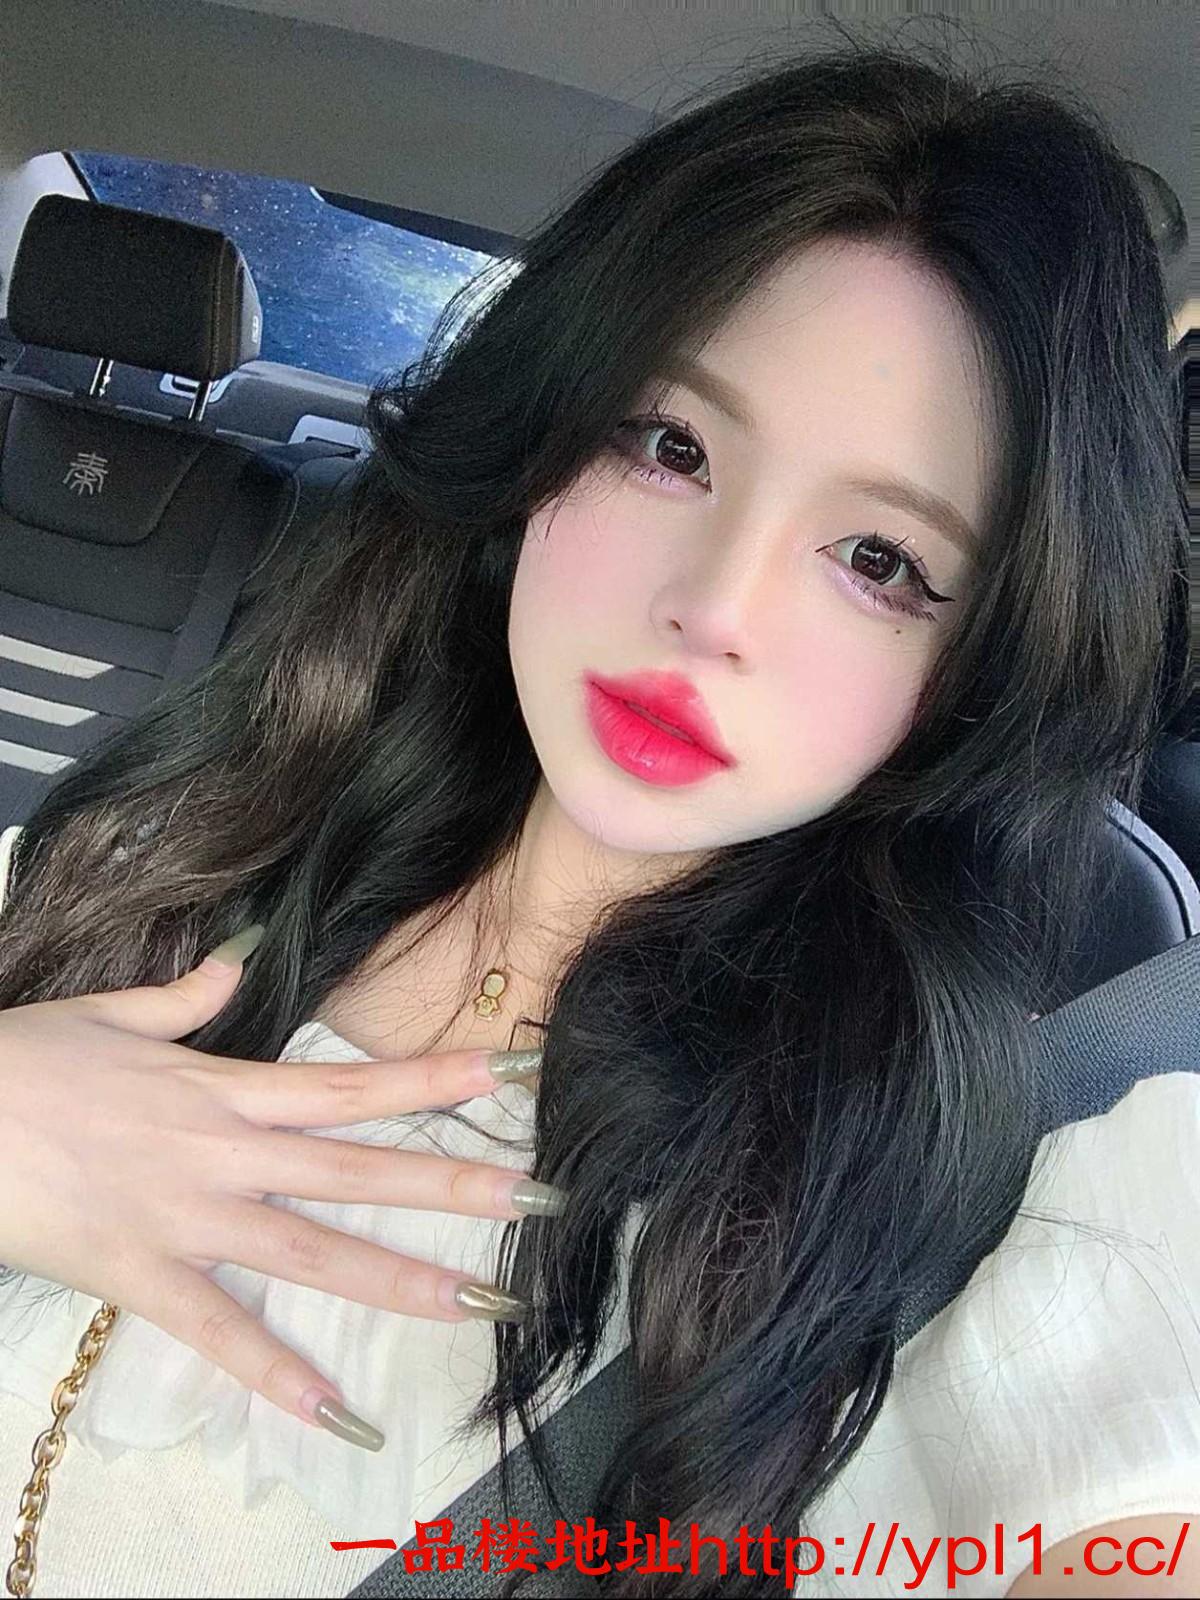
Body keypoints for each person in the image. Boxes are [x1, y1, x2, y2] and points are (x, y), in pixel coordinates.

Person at [0, 23, 1196, 1600]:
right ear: (543, 442)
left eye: (882, 561)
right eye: (670, 446)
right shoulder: (164, 853)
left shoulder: (979, 1198)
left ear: (981, 668)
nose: (713, 608)